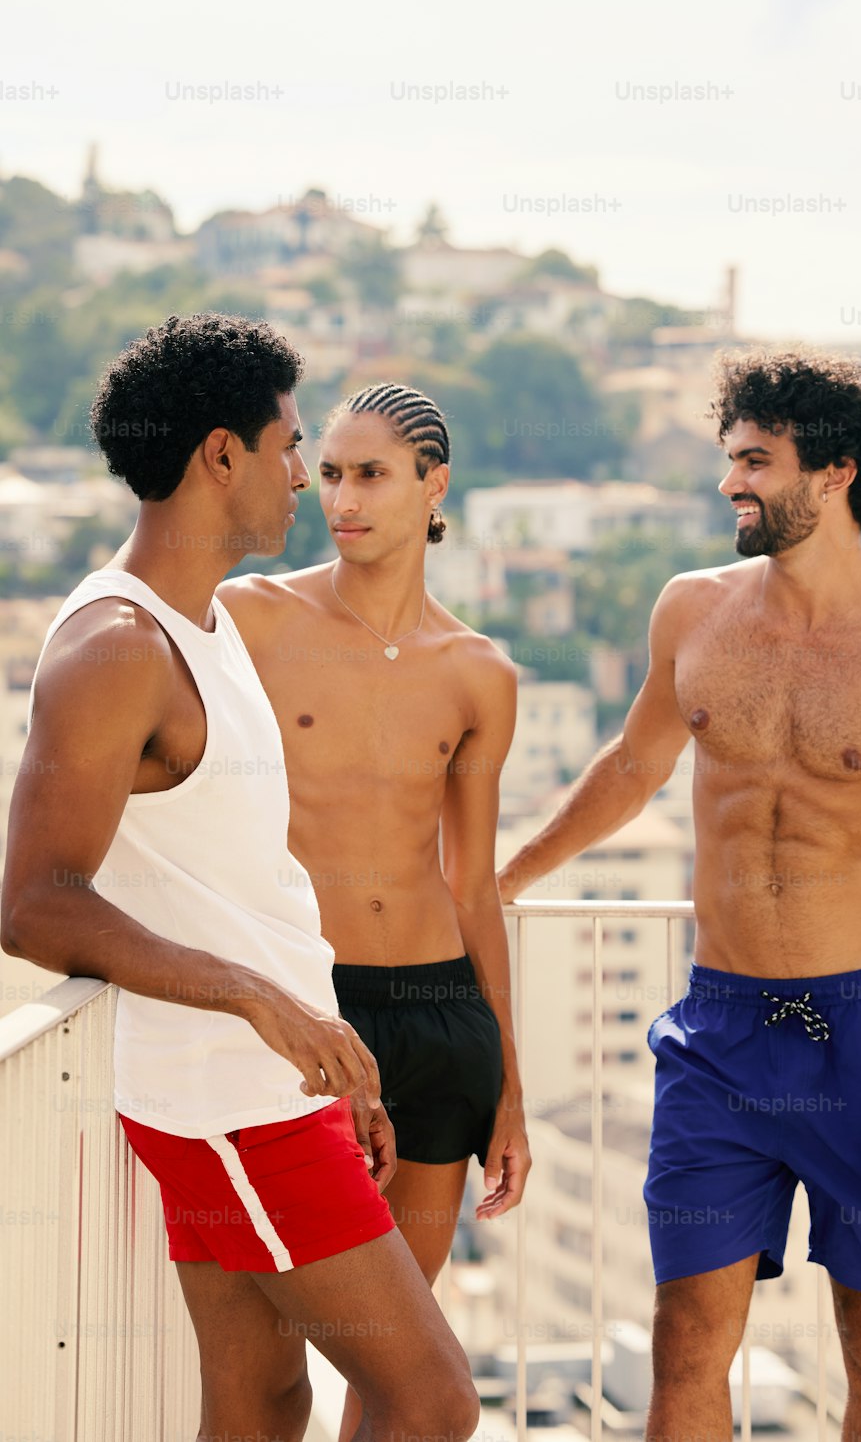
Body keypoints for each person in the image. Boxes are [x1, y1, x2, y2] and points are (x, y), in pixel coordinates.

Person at [497, 348, 861, 1441]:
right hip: (717, 1028)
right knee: (685, 1339)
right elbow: (630, 769)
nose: (730, 482)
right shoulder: (693, 610)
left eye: (753, 461)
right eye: (729, 458)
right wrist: (504, 878)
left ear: (833, 474)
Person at [0, 317, 480, 1442]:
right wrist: (257, 999)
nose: (302, 475)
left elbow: (238, 880)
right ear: (220, 454)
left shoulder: (202, 625)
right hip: (228, 1098)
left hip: (258, 1086)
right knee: (431, 1397)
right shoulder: (116, 644)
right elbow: (31, 899)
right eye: (287, 443)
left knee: (264, 1402)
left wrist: (313, 1033)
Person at [218, 382, 530, 1433]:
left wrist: (513, 1091)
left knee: (395, 1375)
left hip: (443, 1021)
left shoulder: (480, 671)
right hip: (308, 1012)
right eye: (334, 472)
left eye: (372, 474)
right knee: (273, 1368)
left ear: (434, 485)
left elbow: (472, 883)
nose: (340, 496)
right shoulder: (256, 617)